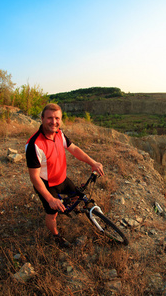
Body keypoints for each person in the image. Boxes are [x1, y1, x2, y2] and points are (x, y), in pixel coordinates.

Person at [25, 103, 104, 247]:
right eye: (49, 118)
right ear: (42, 118)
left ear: (60, 120)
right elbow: (34, 177)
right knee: (52, 214)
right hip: (47, 185)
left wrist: (93, 162)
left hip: (62, 178)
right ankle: (57, 236)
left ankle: (72, 208)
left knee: (77, 196)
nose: (54, 122)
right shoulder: (34, 145)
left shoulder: (59, 133)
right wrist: (50, 199)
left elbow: (74, 149)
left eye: (57, 118)